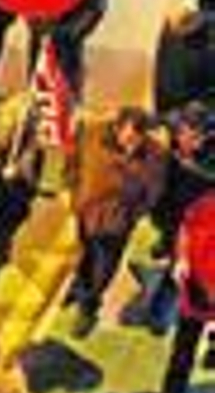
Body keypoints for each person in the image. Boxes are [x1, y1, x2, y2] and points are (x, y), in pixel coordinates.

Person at [68, 108, 169, 335]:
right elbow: (73, 162)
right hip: (86, 213)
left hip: (116, 225)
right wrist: (75, 196)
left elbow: (153, 193)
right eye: (129, 136)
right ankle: (80, 288)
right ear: (117, 128)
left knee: (103, 269)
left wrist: (130, 216)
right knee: (83, 257)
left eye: (138, 138)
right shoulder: (92, 135)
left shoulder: (155, 156)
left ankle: (88, 307)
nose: (131, 142)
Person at [160, 185, 215, 393]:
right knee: (184, 347)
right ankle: (172, 391)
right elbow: (186, 227)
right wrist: (182, 258)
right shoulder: (209, 204)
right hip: (197, 292)